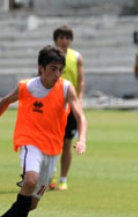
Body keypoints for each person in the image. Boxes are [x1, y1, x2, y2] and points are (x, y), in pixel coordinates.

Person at [0, 45, 87, 217]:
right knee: (30, 180)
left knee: (32, 203)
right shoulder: (26, 87)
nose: (57, 74)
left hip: (52, 149)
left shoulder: (65, 88)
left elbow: (80, 115)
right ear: (41, 68)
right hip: (29, 142)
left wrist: (82, 138)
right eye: (53, 68)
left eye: (60, 69)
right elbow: (4, 101)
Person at [49, 25, 85, 191]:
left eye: (67, 38)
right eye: (61, 38)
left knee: (67, 141)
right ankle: (51, 174)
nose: (64, 41)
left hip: (69, 105)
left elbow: (81, 80)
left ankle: (63, 178)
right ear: (56, 39)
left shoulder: (77, 57)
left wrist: (80, 100)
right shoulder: (48, 57)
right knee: (50, 141)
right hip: (52, 105)